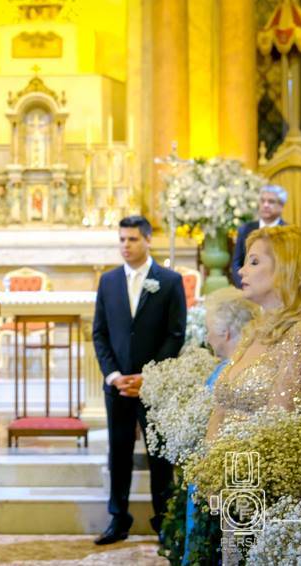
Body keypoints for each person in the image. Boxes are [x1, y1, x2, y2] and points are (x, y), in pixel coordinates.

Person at [93, 215, 187, 545]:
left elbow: (176, 334)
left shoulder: (170, 280)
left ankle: (164, 519)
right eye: (121, 239)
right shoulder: (108, 282)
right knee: (118, 453)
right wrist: (115, 375)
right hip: (118, 384)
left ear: (147, 240)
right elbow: (100, 333)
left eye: (132, 239)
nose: (125, 245)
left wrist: (149, 376)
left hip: (154, 384)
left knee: (158, 454)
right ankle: (118, 519)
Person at [208, 225, 301, 442]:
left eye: (254, 262)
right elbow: (221, 406)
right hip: (225, 465)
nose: (241, 270)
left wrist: (233, 468)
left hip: (261, 466)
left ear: (286, 269)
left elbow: (279, 427)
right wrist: (209, 463)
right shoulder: (253, 332)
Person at [182, 288, 259, 565]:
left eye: (208, 330)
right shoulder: (230, 367)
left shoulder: (229, 372)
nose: (206, 337)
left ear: (225, 332)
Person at [231, 185, 288, 288]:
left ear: (281, 206)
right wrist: (244, 285)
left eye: (271, 202)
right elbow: (236, 263)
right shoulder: (245, 229)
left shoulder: (288, 231)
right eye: (262, 201)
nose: (265, 205)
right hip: (247, 291)